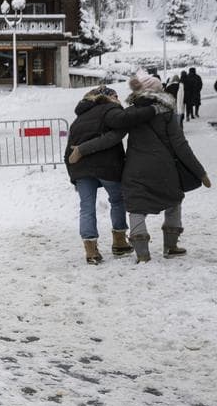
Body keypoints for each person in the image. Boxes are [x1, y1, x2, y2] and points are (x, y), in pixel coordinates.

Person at [101, 73, 211, 263]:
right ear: (158, 91)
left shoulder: (130, 114)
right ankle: (171, 246)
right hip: (164, 169)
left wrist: (83, 150)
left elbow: (112, 137)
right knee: (173, 202)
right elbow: (180, 145)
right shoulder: (167, 112)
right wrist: (200, 172)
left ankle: (143, 254)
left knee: (136, 208)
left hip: (134, 169)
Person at [64, 86, 130, 264]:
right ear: (108, 98)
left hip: (81, 169)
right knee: (117, 200)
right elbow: (115, 136)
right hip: (107, 165)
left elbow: (67, 152)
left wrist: (73, 177)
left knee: (87, 207)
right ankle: (119, 242)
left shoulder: (78, 120)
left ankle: (91, 251)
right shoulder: (110, 111)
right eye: (116, 96)